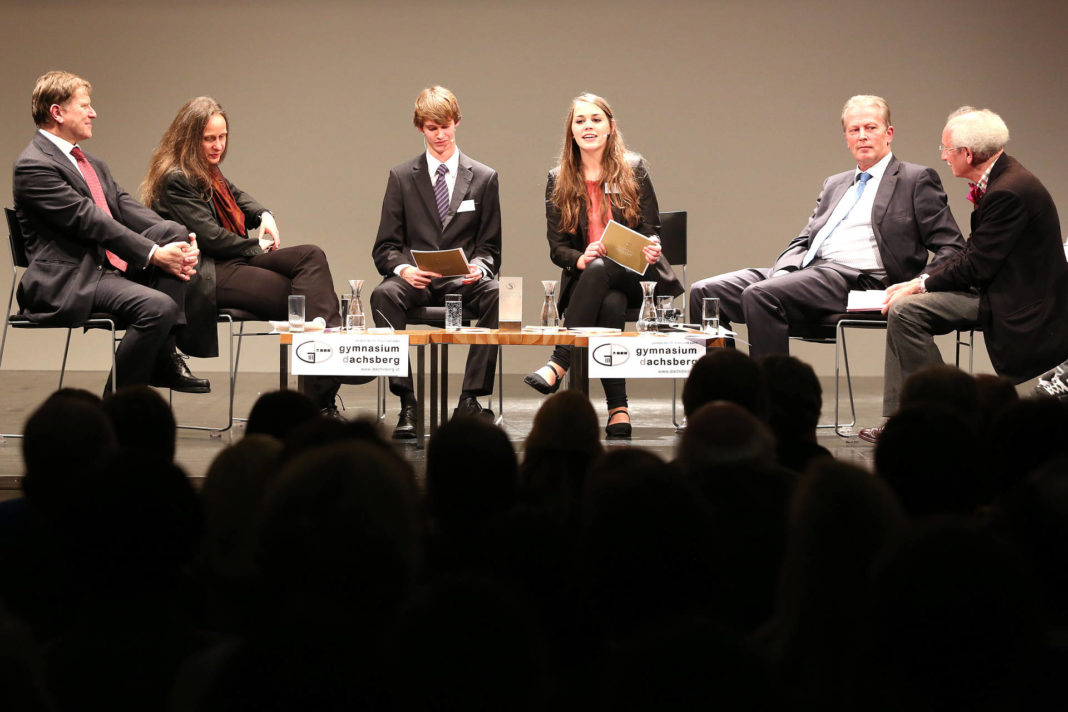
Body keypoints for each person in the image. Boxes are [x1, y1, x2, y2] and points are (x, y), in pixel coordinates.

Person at [688, 95, 964, 359]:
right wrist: (783, 272)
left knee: (761, 295)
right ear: (846, 139)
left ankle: (772, 402)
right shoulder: (835, 183)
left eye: (871, 127)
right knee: (705, 293)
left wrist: (916, 285)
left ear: (889, 133)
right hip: (808, 272)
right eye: (854, 130)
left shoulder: (915, 179)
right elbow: (805, 239)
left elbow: (951, 245)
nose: (862, 136)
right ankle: (721, 393)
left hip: (856, 279)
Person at [143, 96, 369, 416]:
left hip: (232, 260)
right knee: (300, 300)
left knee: (310, 256)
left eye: (222, 137)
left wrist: (264, 214)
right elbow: (210, 238)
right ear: (189, 138)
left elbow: (238, 198)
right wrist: (255, 247)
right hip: (207, 271)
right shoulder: (176, 178)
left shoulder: (209, 170)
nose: (217, 145)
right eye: (209, 138)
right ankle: (324, 389)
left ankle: (327, 368)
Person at [861, 107, 1068, 442]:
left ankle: (943, 415)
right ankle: (906, 417)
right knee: (903, 307)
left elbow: (977, 264)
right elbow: (975, 253)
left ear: (967, 154)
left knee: (906, 310)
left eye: (946, 149)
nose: (943, 157)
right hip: (992, 286)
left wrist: (922, 284)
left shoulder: (1009, 190)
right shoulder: (1000, 179)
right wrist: (919, 282)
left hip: (1016, 300)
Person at [12, 71, 207, 394]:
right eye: (85, 106)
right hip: (70, 278)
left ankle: (163, 355)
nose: (94, 113)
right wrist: (155, 255)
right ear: (57, 112)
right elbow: (90, 220)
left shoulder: (91, 163)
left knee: (171, 229)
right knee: (157, 308)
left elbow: (126, 207)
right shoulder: (34, 166)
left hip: (103, 270)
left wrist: (180, 243)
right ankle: (116, 405)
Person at [523, 93, 683, 438]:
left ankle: (559, 362)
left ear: (610, 127)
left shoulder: (633, 168)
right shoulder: (559, 178)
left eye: (595, 119)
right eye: (580, 121)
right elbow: (558, 249)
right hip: (592, 281)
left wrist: (651, 245)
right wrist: (579, 257)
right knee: (607, 298)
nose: (588, 126)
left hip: (636, 274)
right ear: (571, 131)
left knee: (602, 271)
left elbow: (650, 227)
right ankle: (618, 409)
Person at [371, 86, 501, 439]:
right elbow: (385, 246)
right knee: (383, 295)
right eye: (431, 128)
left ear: (457, 122)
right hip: (417, 282)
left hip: (464, 282)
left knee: (498, 294)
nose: (440, 135)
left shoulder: (484, 177)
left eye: (445, 126)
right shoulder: (401, 177)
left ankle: (470, 400)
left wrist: (481, 267)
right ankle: (407, 402)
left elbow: (490, 247)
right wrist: (405, 269)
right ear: (420, 129)